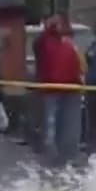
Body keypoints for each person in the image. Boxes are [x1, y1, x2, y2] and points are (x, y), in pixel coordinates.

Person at [33, 14, 85, 167]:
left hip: (71, 89)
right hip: (51, 90)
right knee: (51, 127)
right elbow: (38, 45)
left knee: (71, 126)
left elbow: (80, 65)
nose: (58, 25)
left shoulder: (70, 43)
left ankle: (69, 157)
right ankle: (52, 159)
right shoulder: (44, 42)